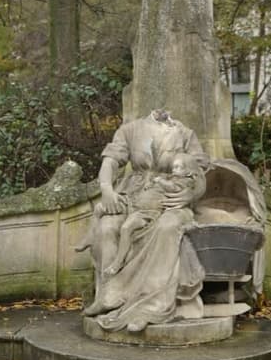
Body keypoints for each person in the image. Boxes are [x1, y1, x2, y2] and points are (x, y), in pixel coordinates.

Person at [80, 109, 208, 332]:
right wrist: (107, 189)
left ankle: (152, 305)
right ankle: (109, 297)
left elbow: (200, 173)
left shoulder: (185, 134)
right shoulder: (130, 130)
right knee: (108, 226)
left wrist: (192, 194)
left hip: (172, 201)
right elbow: (110, 161)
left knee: (166, 227)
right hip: (134, 197)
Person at [104, 153, 200, 277]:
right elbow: (110, 160)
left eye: (178, 167)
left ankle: (121, 263)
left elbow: (174, 188)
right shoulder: (172, 178)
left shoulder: (186, 181)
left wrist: (160, 181)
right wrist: (152, 184)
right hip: (138, 208)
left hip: (152, 214)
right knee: (121, 225)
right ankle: (119, 260)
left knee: (158, 228)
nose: (174, 170)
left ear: (188, 170)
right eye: (174, 167)